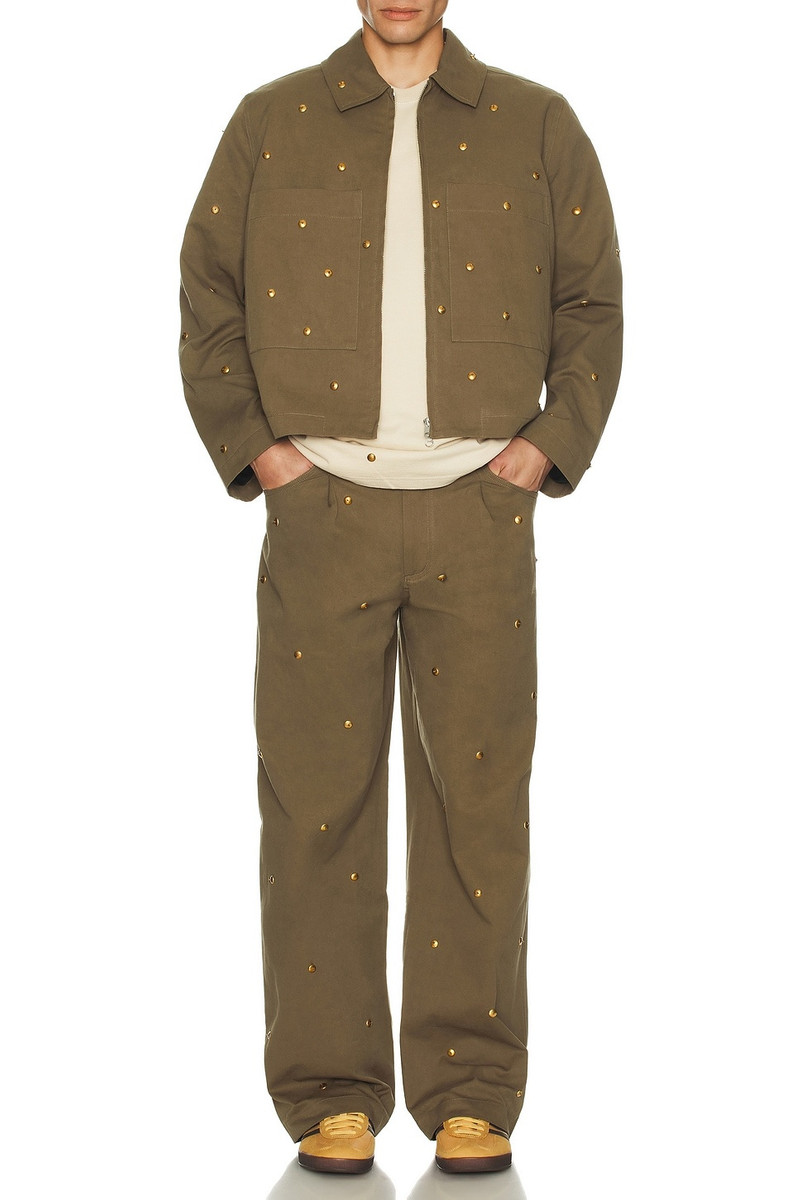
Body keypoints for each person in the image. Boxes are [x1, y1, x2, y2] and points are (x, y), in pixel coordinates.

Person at [179, 0, 622, 1176]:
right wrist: (263, 454)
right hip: (319, 511)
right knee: (313, 805)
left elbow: (590, 306)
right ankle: (330, 1092)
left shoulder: (536, 125)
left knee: (478, 805)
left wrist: (538, 452)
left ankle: (470, 1088)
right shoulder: (269, 123)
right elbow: (208, 294)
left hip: (479, 512)